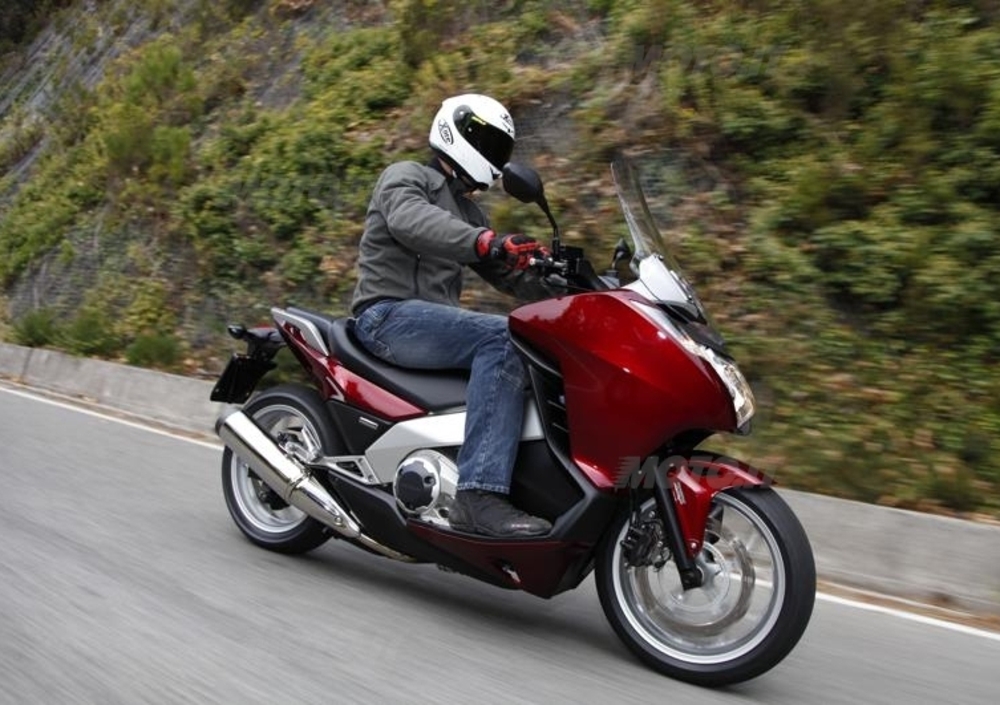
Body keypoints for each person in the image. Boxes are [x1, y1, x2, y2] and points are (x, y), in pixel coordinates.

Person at [350, 93, 553, 538]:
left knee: (544, 349)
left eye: (499, 148)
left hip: (428, 326)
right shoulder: (407, 177)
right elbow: (412, 221)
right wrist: (486, 242)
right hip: (386, 315)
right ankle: (478, 495)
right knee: (504, 339)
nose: (495, 158)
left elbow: (506, 276)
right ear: (455, 134)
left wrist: (562, 281)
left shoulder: (470, 212)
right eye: (488, 144)